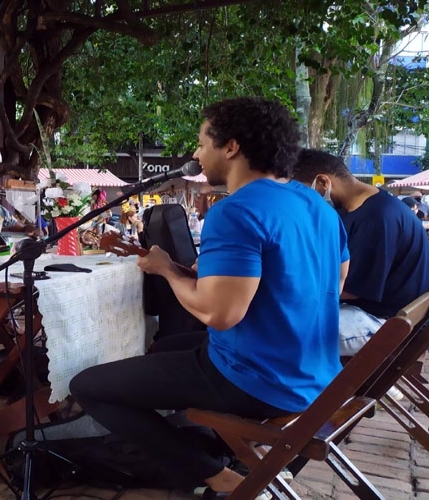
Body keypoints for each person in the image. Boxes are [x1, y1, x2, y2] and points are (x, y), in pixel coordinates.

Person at [70, 97, 349, 497]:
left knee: (88, 385)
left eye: (202, 143)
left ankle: (213, 474)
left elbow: (218, 315)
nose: (197, 154)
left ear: (231, 147)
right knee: (166, 345)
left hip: (258, 378)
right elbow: (335, 282)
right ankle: (210, 439)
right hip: (317, 372)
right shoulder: (316, 204)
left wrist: (167, 270)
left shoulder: (235, 211)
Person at [292, 149, 429, 356]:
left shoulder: (379, 217)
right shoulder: (355, 209)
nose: (303, 201)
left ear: (323, 182)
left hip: (386, 322)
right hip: (381, 312)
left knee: (282, 333)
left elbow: (351, 288)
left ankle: (328, 388)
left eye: (303, 192)